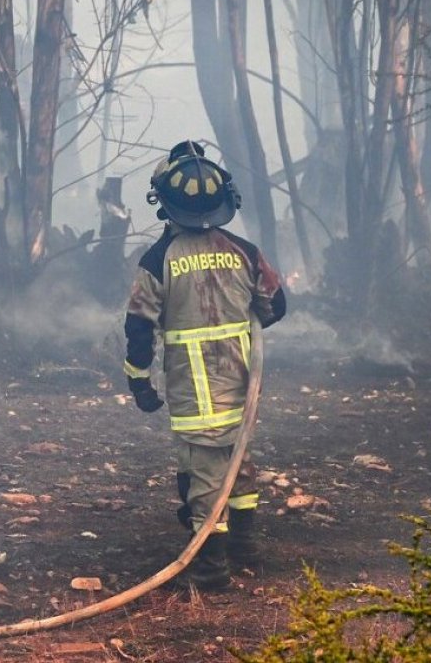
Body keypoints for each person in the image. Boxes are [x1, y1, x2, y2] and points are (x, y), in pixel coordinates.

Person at [122, 141, 287, 591]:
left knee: (204, 473)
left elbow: (138, 327)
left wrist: (139, 382)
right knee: (240, 461)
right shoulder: (244, 250)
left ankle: (212, 569)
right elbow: (276, 306)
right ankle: (245, 549)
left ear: (165, 204)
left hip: (195, 390)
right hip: (241, 383)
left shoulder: (159, 260)